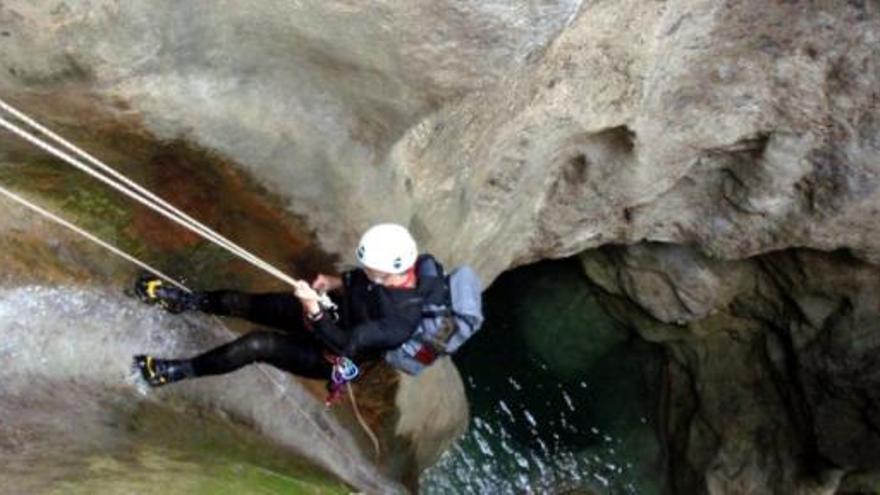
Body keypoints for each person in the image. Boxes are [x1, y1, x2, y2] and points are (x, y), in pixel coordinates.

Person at [132, 223, 447, 389]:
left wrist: (314, 310)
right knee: (245, 303)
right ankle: (185, 301)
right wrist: (337, 282)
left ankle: (175, 372)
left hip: (331, 355)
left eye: (369, 267)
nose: (364, 269)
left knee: (257, 345)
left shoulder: (400, 321)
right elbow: (363, 281)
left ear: (392, 270)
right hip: (329, 311)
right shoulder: (391, 271)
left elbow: (344, 343)